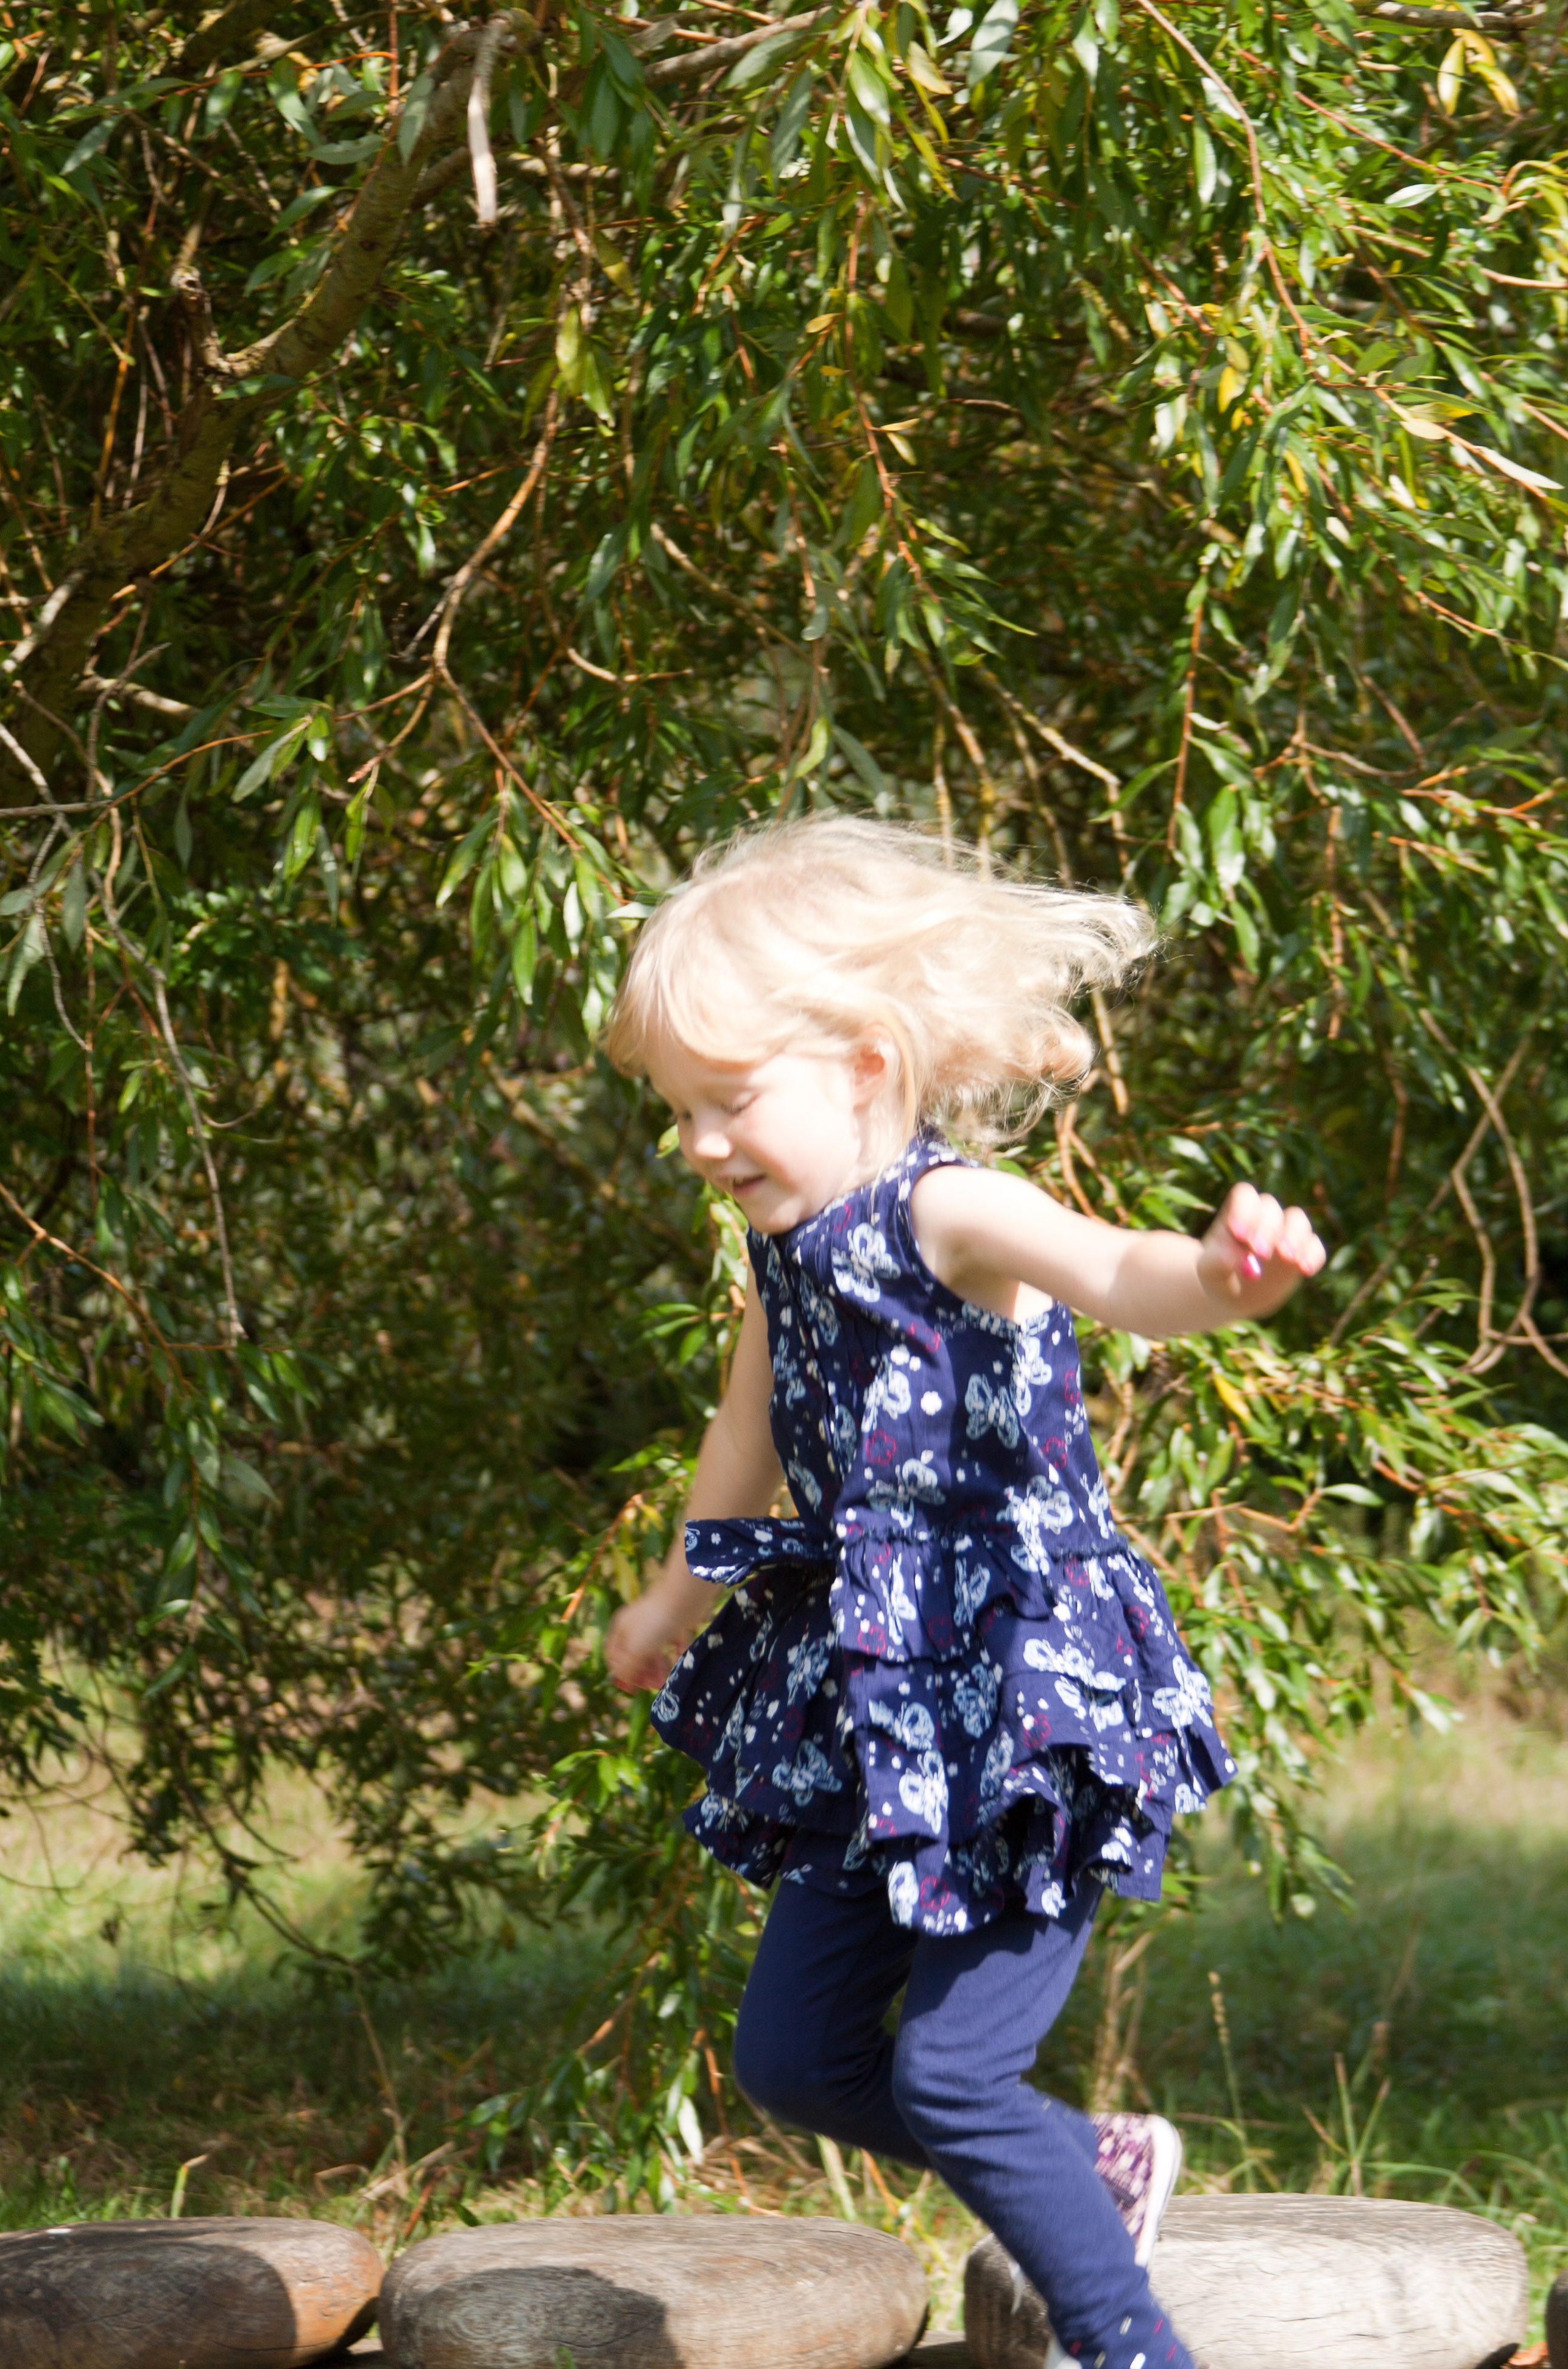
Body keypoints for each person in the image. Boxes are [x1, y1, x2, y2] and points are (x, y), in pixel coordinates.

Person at [604, 816, 1324, 2369]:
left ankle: (1130, 2343)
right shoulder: (782, 1255)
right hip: (873, 1705)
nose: (703, 1144)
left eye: (730, 1101)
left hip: (1016, 1690)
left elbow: (1121, 1273)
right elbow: (744, 1440)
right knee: (794, 2060)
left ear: (865, 1064)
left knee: (951, 2076)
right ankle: (1092, 2162)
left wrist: (1224, 1279)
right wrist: (673, 1603)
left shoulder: (950, 1214)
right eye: (681, 1113)